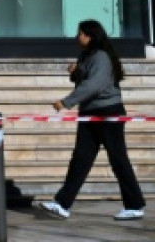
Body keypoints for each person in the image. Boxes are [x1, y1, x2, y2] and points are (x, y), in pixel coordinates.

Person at [37, 19, 146, 221]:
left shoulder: (101, 57)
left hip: (108, 112)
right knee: (80, 159)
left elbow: (94, 85)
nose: (77, 37)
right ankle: (62, 204)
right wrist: (76, 72)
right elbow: (85, 80)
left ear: (90, 36)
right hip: (90, 113)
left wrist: (66, 102)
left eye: (81, 33)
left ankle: (134, 205)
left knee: (118, 159)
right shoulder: (87, 55)